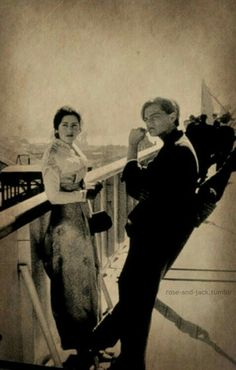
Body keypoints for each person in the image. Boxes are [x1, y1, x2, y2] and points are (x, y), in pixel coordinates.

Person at [90, 97, 200, 370]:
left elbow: (136, 186)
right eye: (146, 119)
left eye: (154, 116)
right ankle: (123, 353)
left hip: (156, 238)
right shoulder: (175, 146)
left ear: (173, 115)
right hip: (161, 236)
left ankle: (118, 352)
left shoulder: (177, 152)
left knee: (134, 293)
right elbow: (148, 185)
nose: (148, 123)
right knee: (135, 293)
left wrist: (131, 147)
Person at [41, 106, 102, 366]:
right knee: (72, 288)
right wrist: (82, 195)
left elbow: (76, 178)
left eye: (74, 125)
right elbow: (53, 196)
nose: (70, 129)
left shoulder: (72, 148)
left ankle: (90, 344)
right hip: (65, 226)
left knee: (87, 282)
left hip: (80, 221)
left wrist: (85, 188)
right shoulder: (52, 154)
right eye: (65, 125)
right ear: (56, 127)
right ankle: (80, 350)